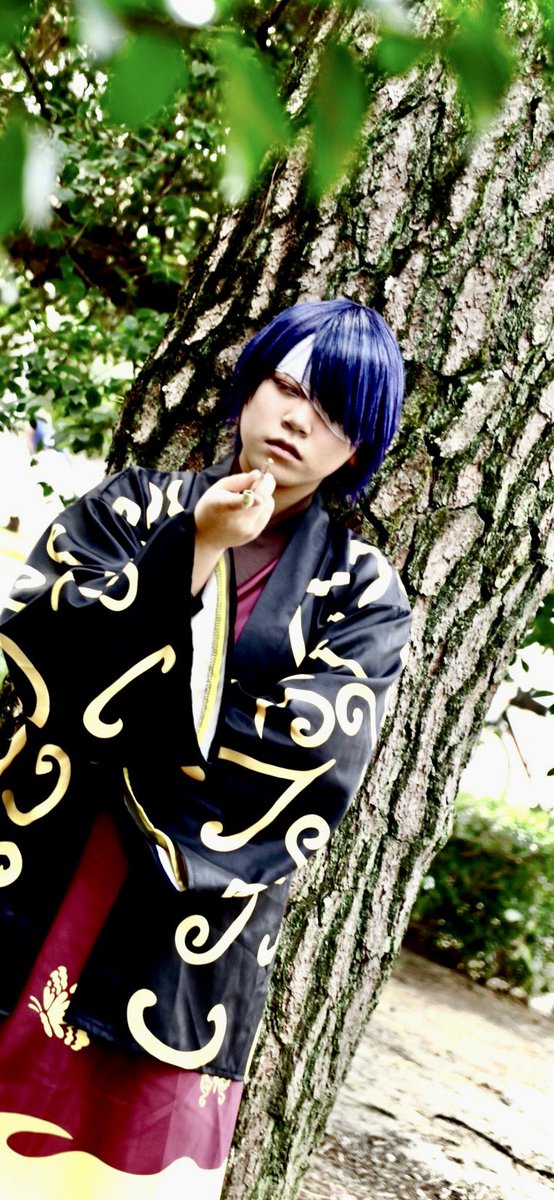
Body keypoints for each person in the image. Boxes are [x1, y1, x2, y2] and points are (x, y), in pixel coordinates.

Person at [0, 298, 411, 1197]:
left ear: (357, 448)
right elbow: (39, 646)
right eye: (288, 387)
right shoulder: (131, 506)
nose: (298, 419)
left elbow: (313, 762)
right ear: (250, 386)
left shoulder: (362, 595)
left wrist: (128, 720)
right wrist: (189, 551)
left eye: (334, 412)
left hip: (182, 924)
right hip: (39, 859)